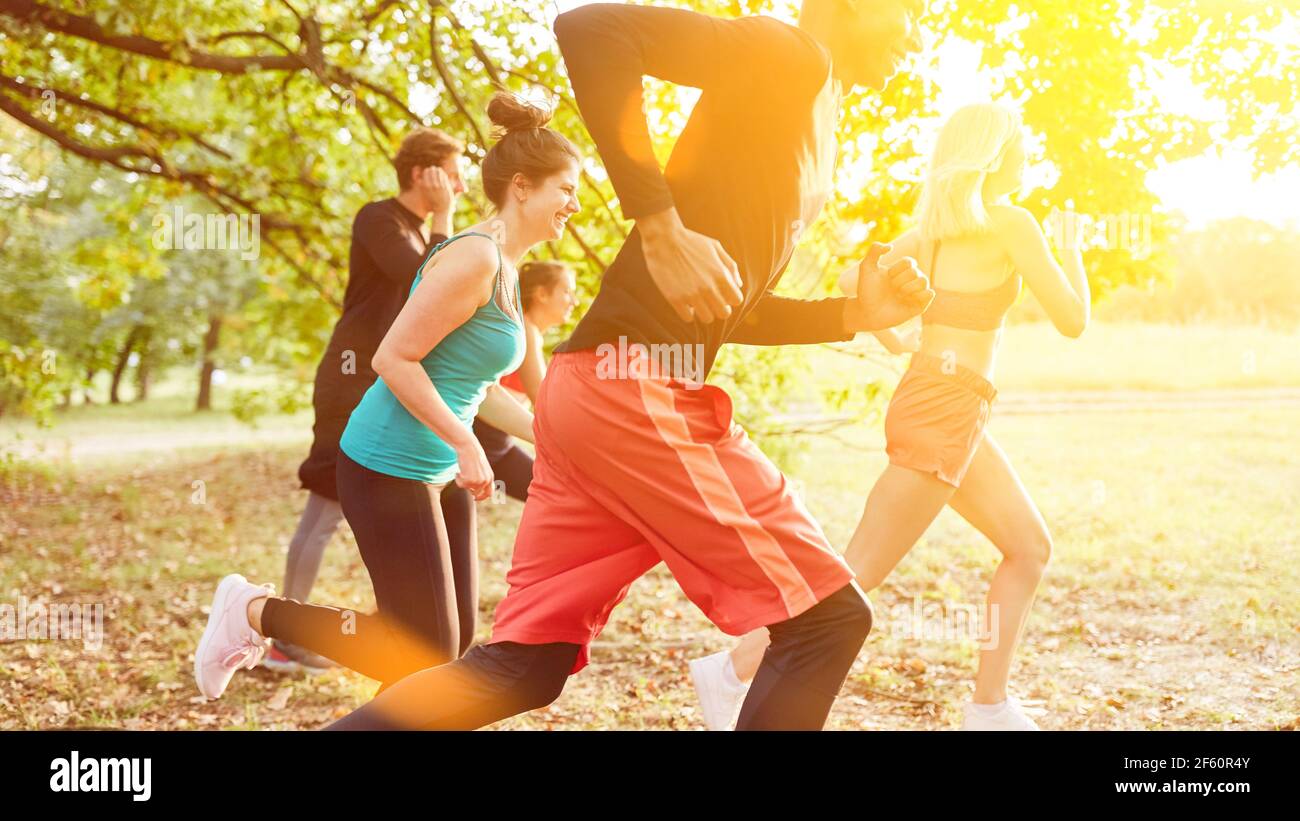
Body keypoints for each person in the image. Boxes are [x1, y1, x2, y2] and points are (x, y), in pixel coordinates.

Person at [284, 0, 929, 732]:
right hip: (634, 391)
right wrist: (656, 222)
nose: (916, 34)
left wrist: (854, 316)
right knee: (827, 621)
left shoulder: (816, 114)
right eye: (909, 12)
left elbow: (728, 300)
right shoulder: (786, 56)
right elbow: (590, 31)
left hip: (592, 391)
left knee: (525, 665)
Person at [689, 102, 1091, 731]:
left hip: (944, 402)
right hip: (946, 409)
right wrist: (1074, 251)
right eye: (1022, 146)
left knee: (1028, 546)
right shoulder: (1014, 223)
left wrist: (897, 339)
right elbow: (1072, 320)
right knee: (856, 574)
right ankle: (732, 671)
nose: (1028, 158)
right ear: (995, 153)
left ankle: (990, 708)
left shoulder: (932, 232)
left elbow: (858, 276)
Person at [194, 92, 581, 700]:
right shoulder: (474, 257)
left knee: (446, 649)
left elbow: (471, 389)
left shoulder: (504, 266)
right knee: (423, 650)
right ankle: (252, 610)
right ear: (525, 186)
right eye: (566, 188)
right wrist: (464, 443)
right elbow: (391, 358)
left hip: (437, 467)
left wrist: (553, 437)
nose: (574, 205)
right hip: (384, 461)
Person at [266, 127, 466, 672]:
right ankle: (284, 638)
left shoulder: (419, 231)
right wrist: (445, 220)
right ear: (424, 174)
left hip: (387, 382)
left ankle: (399, 634)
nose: (462, 187)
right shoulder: (378, 219)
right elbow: (424, 281)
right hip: (351, 379)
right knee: (325, 506)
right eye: (453, 175)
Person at [468, 260, 579, 503]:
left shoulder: (529, 332)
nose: (574, 301)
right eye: (567, 291)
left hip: (499, 444)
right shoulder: (525, 332)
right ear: (541, 294)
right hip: (482, 443)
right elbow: (543, 400)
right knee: (559, 496)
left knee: (558, 496)